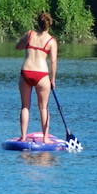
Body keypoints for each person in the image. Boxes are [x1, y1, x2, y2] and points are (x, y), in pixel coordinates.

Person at [16, 11, 58, 141]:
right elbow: (53, 61)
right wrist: (53, 79)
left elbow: (17, 46)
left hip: (26, 72)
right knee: (43, 108)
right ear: (49, 25)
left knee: (25, 106)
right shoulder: (51, 41)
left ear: (38, 23)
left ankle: (23, 137)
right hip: (41, 74)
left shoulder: (30, 34)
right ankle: (45, 138)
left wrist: (27, 44)